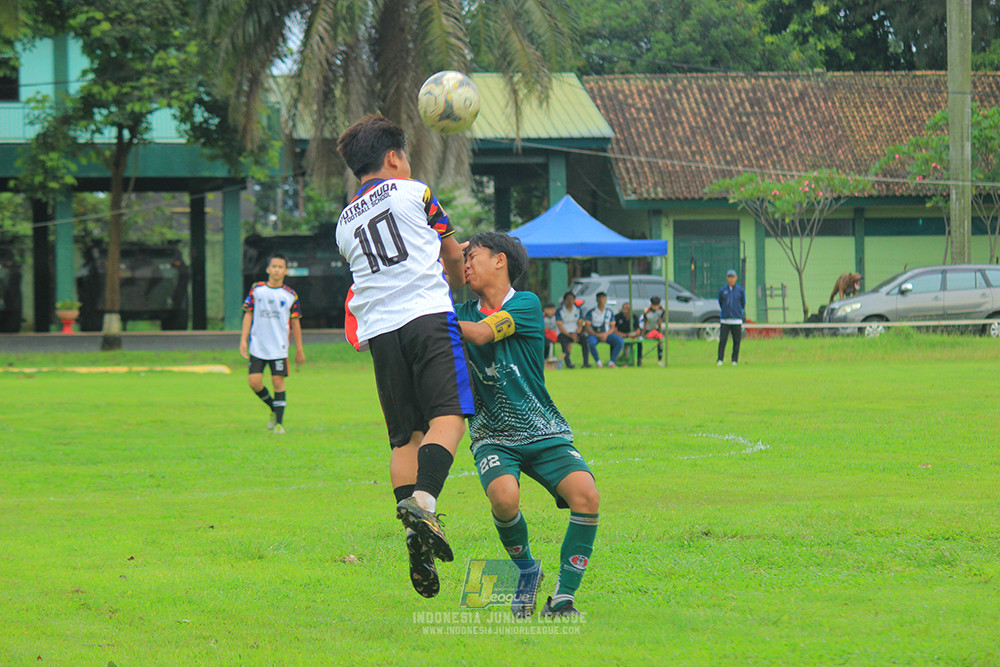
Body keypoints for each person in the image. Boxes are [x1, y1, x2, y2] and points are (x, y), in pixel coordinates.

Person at [335, 114, 474, 599]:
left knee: (405, 439)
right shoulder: (416, 192)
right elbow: (451, 256)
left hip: (380, 333)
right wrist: (456, 281)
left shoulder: (343, 223)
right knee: (449, 418)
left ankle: (415, 535)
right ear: (394, 157)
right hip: (427, 317)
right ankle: (425, 505)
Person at [456, 231, 599, 619]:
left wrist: (433, 319)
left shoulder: (526, 303)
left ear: (499, 260)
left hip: (543, 428)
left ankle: (563, 598)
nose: (465, 264)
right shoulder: (459, 310)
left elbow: (482, 333)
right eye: (462, 259)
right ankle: (527, 571)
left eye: (472, 256)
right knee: (504, 498)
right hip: (492, 435)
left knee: (586, 495)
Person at [239, 252, 305, 434]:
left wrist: (299, 349)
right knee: (254, 382)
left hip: (279, 347)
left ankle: (279, 425)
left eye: (280, 267)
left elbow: (296, 323)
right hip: (258, 346)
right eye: (274, 266)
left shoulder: (290, 295)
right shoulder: (257, 290)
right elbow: (248, 314)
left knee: (278, 383)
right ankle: (273, 408)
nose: (276, 270)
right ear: (268, 269)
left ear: (285, 271)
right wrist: (243, 340)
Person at [583, 292, 624, 367]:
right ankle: (598, 362)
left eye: (603, 298)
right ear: (597, 300)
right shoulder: (591, 312)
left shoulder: (609, 312)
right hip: (594, 334)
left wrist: (606, 334)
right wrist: (597, 335)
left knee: (619, 341)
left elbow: (612, 326)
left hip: (607, 334)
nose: (602, 300)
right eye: (600, 298)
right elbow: (587, 327)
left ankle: (611, 362)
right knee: (591, 343)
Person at [718, 269, 746, 366]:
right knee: (722, 341)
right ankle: (720, 359)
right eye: (730, 277)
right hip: (725, 320)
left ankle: (734, 360)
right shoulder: (723, 290)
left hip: (736, 320)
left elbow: (743, 303)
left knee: (736, 341)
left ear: (736, 278)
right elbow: (720, 302)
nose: (731, 279)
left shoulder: (740, 291)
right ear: (727, 278)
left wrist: (738, 313)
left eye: (733, 277)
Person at [555, 291, 588, 368]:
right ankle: (568, 364)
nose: (570, 301)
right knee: (563, 343)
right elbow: (560, 326)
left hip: (575, 332)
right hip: (564, 333)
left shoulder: (578, 310)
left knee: (584, 340)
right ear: (565, 300)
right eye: (568, 299)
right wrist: (570, 335)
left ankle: (586, 363)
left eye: (572, 299)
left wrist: (576, 334)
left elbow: (580, 324)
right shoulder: (560, 311)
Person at [640, 295, 666, 367]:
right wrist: (642, 335)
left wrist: (660, 332)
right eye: (653, 305)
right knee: (658, 336)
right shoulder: (647, 311)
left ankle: (660, 360)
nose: (655, 307)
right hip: (646, 330)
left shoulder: (662, 310)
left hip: (655, 329)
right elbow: (645, 324)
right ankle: (639, 361)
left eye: (657, 305)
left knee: (660, 338)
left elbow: (659, 321)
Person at [614, 302, 643, 366]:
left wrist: (631, 334)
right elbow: (614, 331)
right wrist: (624, 335)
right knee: (614, 340)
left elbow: (638, 330)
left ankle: (639, 361)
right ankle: (613, 360)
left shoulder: (634, 317)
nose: (627, 310)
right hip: (620, 336)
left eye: (628, 309)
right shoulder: (617, 317)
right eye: (625, 309)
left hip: (631, 336)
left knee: (639, 342)